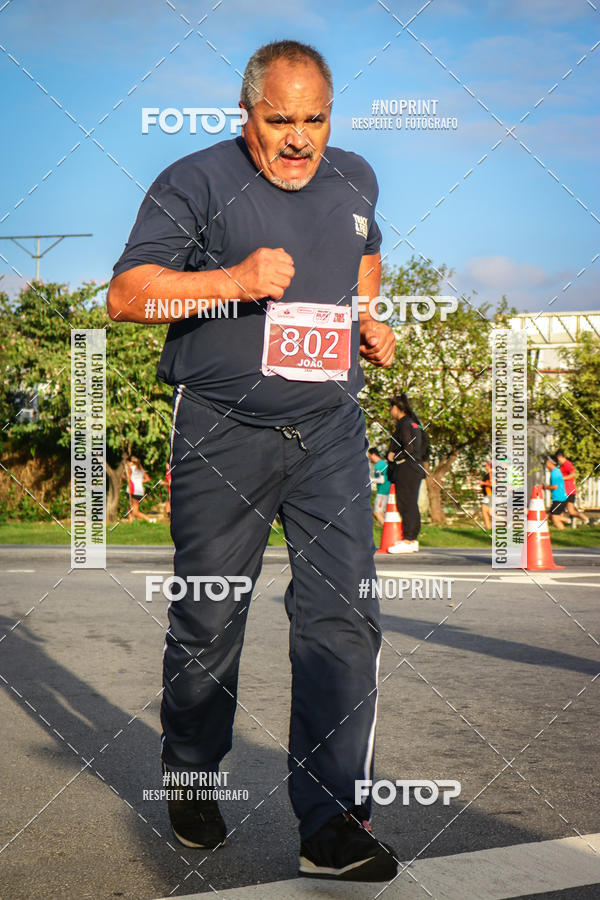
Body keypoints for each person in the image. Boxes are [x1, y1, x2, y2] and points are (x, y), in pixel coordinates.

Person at [107, 40, 398, 882]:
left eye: (315, 119)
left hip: (330, 432)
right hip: (220, 430)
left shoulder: (357, 179)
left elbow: (365, 255)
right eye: (281, 121)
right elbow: (128, 294)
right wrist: (232, 278)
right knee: (209, 617)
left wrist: (366, 322)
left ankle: (334, 821)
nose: (300, 139)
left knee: (343, 620)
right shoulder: (194, 180)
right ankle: (193, 768)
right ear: (247, 117)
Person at [386, 394, 428, 554]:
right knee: (412, 503)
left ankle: (408, 539)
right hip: (416, 467)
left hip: (406, 468)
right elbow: (424, 447)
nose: (390, 411)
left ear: (397, 408)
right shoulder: (416, 424)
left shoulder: (404, 424)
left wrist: (393, 456)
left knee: (405, 504)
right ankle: (413, 540)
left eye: (391, 408)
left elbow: (408, 448)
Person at [556, 450, 590, 525]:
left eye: (557, 458)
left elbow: (573, 474)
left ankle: (566, 521)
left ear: (560, 456)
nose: (557, 460)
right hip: (567, 491)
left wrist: (562, 478)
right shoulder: (562, 466)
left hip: (568, 491)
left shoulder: (567, 464)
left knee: (560, 509)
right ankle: (586, 519)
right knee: (571, 511)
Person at [541, 456, 569, 529]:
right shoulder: (556, 471)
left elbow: (555, 486)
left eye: (546, 462)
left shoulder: (554, 473)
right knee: (550, 516)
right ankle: (567, 521)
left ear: (549, 462)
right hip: (561, 498)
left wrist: (544, 487)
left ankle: (564, 530)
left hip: (559, 498)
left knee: (555, 518)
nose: (545, 465)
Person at [368, 447, 391, 526]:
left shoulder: (378, 466)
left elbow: (381, 480)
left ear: (373, 455)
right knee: (382, 512)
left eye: (369, 456)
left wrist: (370, 479)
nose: (369, 458)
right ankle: (388, 530)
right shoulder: (383, 463)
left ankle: (387, 530)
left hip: (382, 491)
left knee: (376, 512)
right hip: (387, 490)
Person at [125, 456, 151, 522]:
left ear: (131, 462)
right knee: (129, 508)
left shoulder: (130, 468)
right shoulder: (141, 470)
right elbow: (148, 479)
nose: (127, 463)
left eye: (128, 462)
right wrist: (139, 481)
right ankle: (130, 523)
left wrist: (122, 477)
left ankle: (150, 520)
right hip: (140, 491)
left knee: (135, 512)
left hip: (133, 490)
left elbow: (128, 479)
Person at [480, 461, 493, 529]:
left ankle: (488, 528)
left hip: (489, 495)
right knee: (489, 513)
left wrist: (483, 483)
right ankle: (489, 528)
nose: (485, 467)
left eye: (486, 465)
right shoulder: (487, 475)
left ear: (489, 466)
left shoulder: (491, 474)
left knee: (484, 511)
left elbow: (493, 484)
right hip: (487, 495)